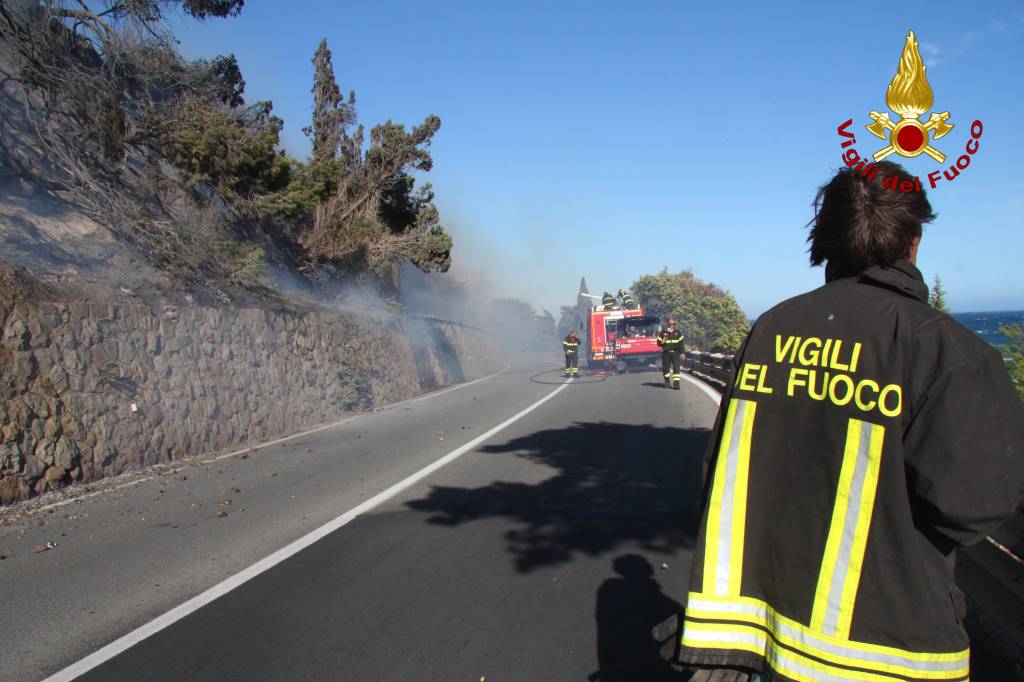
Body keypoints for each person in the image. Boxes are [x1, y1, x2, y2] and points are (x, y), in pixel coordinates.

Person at [676, 161, 1024, 681]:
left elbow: (723, 466)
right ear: (913, 239)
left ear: (825, 238)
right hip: (893, 652)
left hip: (766, 640)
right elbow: (974, 507)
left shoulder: (771, 329)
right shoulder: (949, 350)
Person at [657, 318, 684, 389]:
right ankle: (667, 382)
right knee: (666, 368)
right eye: (670, 324)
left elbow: (681, 344)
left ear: (675, 325)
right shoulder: (663, 332)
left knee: (676, 368)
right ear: (668, 324)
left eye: (673, 324)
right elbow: (659, 344)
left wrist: (682, 353)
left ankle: (676, 384)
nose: (672, 325)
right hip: (666, 353)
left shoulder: (678, 332)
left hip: (676, 353)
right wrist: (664, 340)